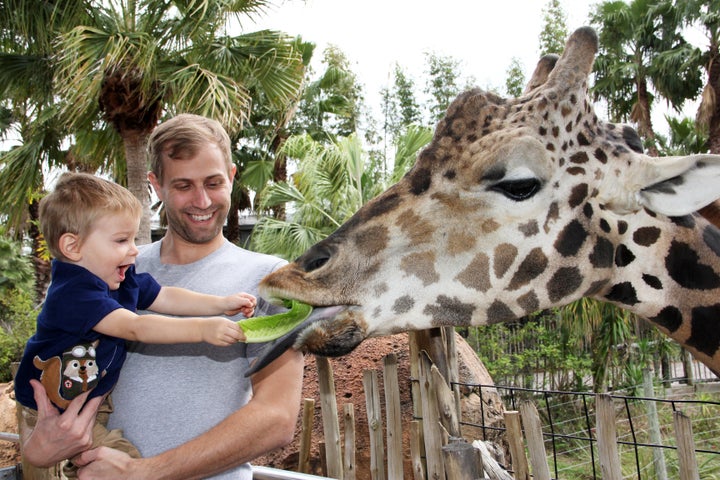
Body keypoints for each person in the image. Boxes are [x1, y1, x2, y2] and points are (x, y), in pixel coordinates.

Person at [25, 113, 305, 479]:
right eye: (183, 185)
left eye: (214, 182)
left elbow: (276, 419)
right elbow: (49, 372)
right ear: (156, 185)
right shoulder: (108, 269)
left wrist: (145, 472)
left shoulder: (270, 279)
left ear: (232, 177)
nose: (202, 200)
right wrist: (41, 448)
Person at [15, 171, 258, 479]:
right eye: (121, 240)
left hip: (86, 395)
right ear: (73, 247)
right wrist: (203, 329)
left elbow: (165, 296)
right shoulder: (73, 294)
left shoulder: (118, 278)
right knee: (121, 461)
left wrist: (220, 303)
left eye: (132, 239)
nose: (134, 250)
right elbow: (134, 327)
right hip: (52, 408)